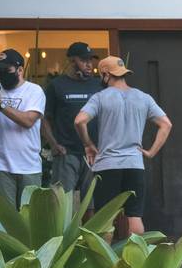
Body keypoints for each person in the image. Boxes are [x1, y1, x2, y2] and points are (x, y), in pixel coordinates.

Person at [74, 56, 172, 236]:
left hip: (107, 166)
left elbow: (80, 121)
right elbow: (166, 124)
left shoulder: (100, 97)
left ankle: (105, 263)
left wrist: (88, 144)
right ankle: (136, 262)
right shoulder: (143, 98)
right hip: (134, 164)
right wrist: (151, 152)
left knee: (105, 219)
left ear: (105, 74)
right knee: (134, 216)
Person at [42, 42, 102, 205]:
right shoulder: (56, 86)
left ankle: (89, 232)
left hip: (93, 154)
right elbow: (45, 118)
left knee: (91, 204)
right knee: (61, 204)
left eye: (91, 60)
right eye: (84, 60)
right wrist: (53, 144)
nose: (89, 65)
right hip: (66, 153)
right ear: (71, 61)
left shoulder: (98, 85)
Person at [0, 49, 46, 207]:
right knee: (4, 222)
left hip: (28, 166)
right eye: (0, 69)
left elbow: (28, 121)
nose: (2, 73)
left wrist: (2, 105)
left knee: (30, 221)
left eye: (7, 69)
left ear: (20, 70)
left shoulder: (34, 91)